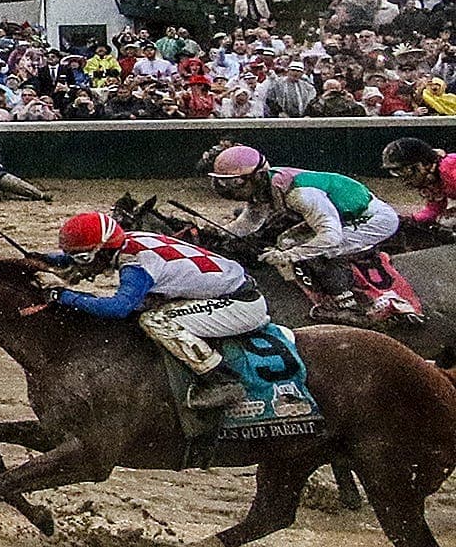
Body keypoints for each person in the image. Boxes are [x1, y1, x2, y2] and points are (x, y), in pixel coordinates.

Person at [39, 211, 265, 411]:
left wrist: (65, 296)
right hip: (229, 290)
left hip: (241, 305)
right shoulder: (127, 240)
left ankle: (222, 382)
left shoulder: (137, 265)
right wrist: (44, 258)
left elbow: (118, 308)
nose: (81, 265)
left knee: (154, 320)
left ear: (104, 251)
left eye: (84, 259)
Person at [205, 144, 407, 318]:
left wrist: (289, 256)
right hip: (342, 216)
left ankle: (347, 302)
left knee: (320, 250)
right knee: (285, 241)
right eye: (223, 181)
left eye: (234, 182)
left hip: (373, 220)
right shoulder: (267, 186)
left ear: (256, 177)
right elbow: (249, 222)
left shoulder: (300, 194)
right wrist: (215, 234)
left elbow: (330, 236)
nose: (228, 188)